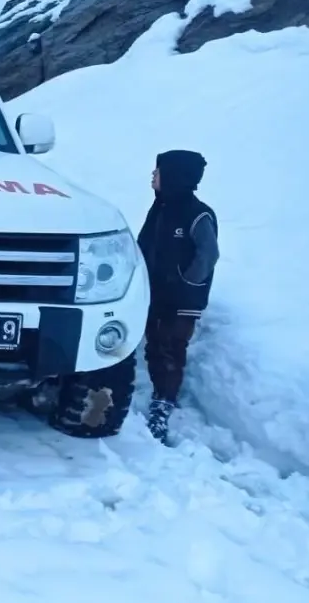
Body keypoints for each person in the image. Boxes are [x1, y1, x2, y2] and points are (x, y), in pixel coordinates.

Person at [136, 149, 219, 443]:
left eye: (157, 172)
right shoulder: (159, 208)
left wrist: (185, 282)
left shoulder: (197, 214)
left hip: (182, 300)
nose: (153, 177)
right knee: (155, 347)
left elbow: (208, 255)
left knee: (171, 349)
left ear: (173, 176)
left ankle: (164, 404)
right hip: (155, 295)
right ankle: (161, 393)